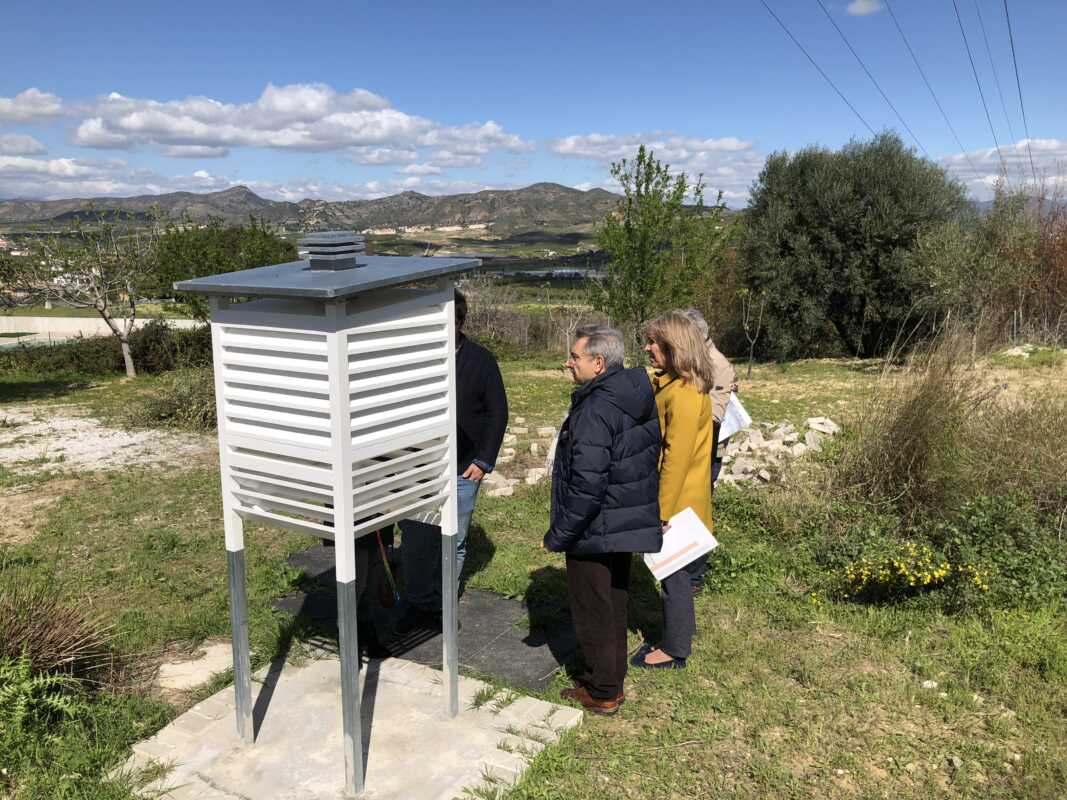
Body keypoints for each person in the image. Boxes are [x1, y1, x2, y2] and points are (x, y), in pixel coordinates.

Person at [543, 325, 662, 715]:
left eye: (574, 357)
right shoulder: (630, 395)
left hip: (594, 525)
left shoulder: (595, 409)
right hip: (622, 517)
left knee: (593, 607)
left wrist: (560, 533)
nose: (568, 362)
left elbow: (587, 484)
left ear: (598, 363)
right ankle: (611, 681)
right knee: (613, 601)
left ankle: (602, 690)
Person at [396, 289, 508, 633]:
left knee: (453, 540)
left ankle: (442, 603)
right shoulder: (415, 359)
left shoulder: (481, 360)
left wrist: (484, 460)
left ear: (459, 322)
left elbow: (497, 413)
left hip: (463, 468)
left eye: (447, 322)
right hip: (419, 468)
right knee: (415, 539)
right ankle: (418, 603)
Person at [633, 311, 715, 670]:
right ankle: (682, 632)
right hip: (686, 499)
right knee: (676, 575)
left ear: (674, 347)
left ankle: (675, 649)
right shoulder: (680, 384)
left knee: (674, 576)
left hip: (678, 503)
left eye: (654, 342)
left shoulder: (682, 395)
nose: (648, 347)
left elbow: (675, 458)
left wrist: (661, 510)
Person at [682, 308, 737, 593]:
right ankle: (678, 566)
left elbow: (712, 419)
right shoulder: (693, 361)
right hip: (687, 449)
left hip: (704, 452)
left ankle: (694, 577)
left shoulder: (717, 365)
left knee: (697, 511)